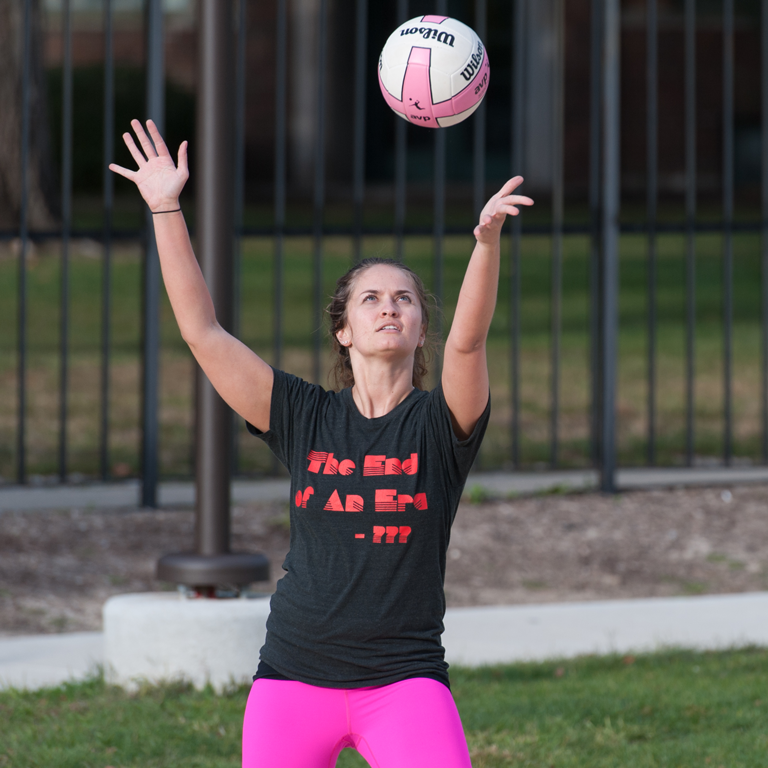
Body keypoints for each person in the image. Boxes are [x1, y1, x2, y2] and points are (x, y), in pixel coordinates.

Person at [110, 119, 534, 768]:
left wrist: (486, 244)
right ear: (344, 330)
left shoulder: (440, 425)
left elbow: (469, 342)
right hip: (292, 678)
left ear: (422, 329)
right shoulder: (304, 416)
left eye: (405, 300)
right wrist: (166, 206)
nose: (389, 308)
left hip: (405, 681)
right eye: (371, 299)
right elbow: (203, 333)